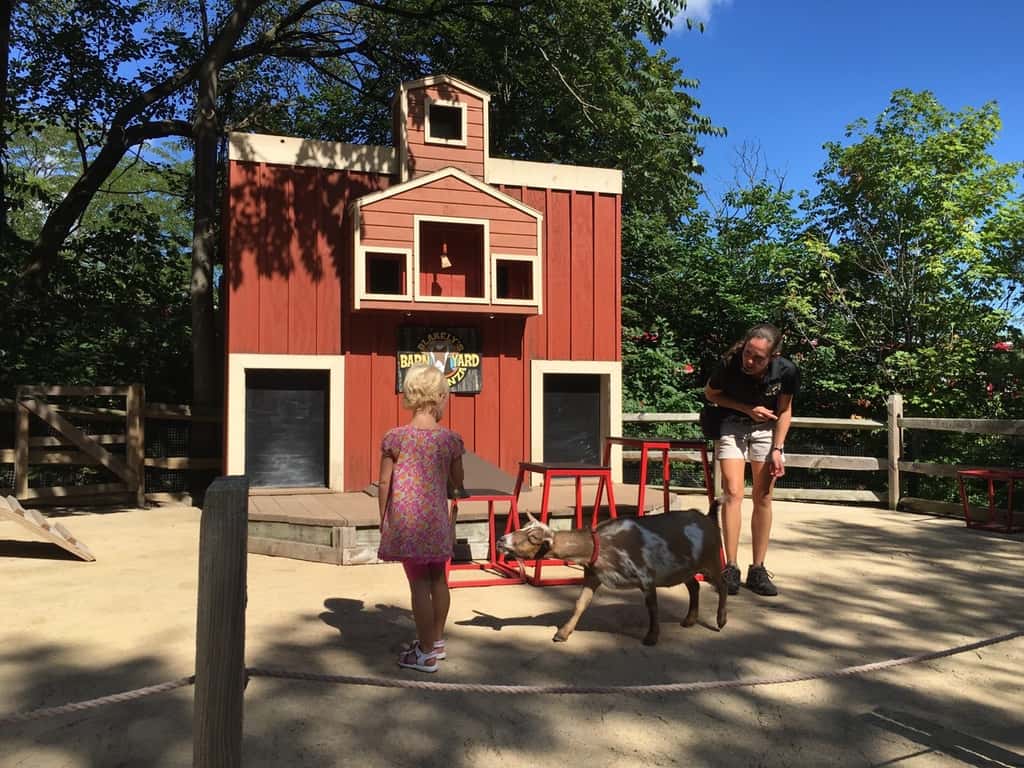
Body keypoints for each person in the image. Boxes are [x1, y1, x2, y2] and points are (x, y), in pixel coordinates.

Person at [378, 364, 465, 672]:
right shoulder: (450, 440)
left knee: (418, 584)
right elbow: (457, 483)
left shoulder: (394, 438)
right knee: (439, 579)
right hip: (436, 522)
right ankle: (436, 642)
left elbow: (384, 483)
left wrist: (383, 518)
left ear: (410, 395)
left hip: (407, 522)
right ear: (440, 396)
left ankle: (425, 652)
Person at [704, 323, 799, 597]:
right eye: (748, 353)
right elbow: (711, 394)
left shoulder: (787, 372)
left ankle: (757, 569)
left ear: (774, 356)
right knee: (733, 492)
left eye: (758, 358)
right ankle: (730, 568)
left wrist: (778, 449)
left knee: (763, 496)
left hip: (766, 431)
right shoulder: (729, 363)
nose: (750, 361)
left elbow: (784, 410)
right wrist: (747, 408)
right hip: (732, 425)